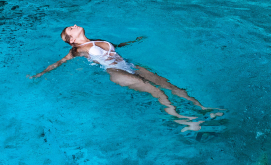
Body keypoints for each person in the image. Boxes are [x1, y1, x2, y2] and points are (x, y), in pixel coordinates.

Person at [28, 24, 223, 132]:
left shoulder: (97, 40)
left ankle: (204, 109)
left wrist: (136, 41)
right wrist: (40, 74)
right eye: (71, 28)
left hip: (129, 65)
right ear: (71, 40)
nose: (74, 25)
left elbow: (117, 46)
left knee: (170, 85)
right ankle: (183, 120)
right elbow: (58, 63)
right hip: (116, 72)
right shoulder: (77, 50)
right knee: (156, 91)